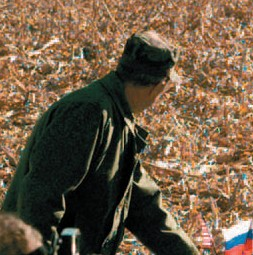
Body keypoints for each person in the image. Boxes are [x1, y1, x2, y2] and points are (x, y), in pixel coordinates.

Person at [2, 31, 199, 255]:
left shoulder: (118, 119)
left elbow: (143, 206)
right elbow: (41, 198)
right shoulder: (89, 113)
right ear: (159, 86)